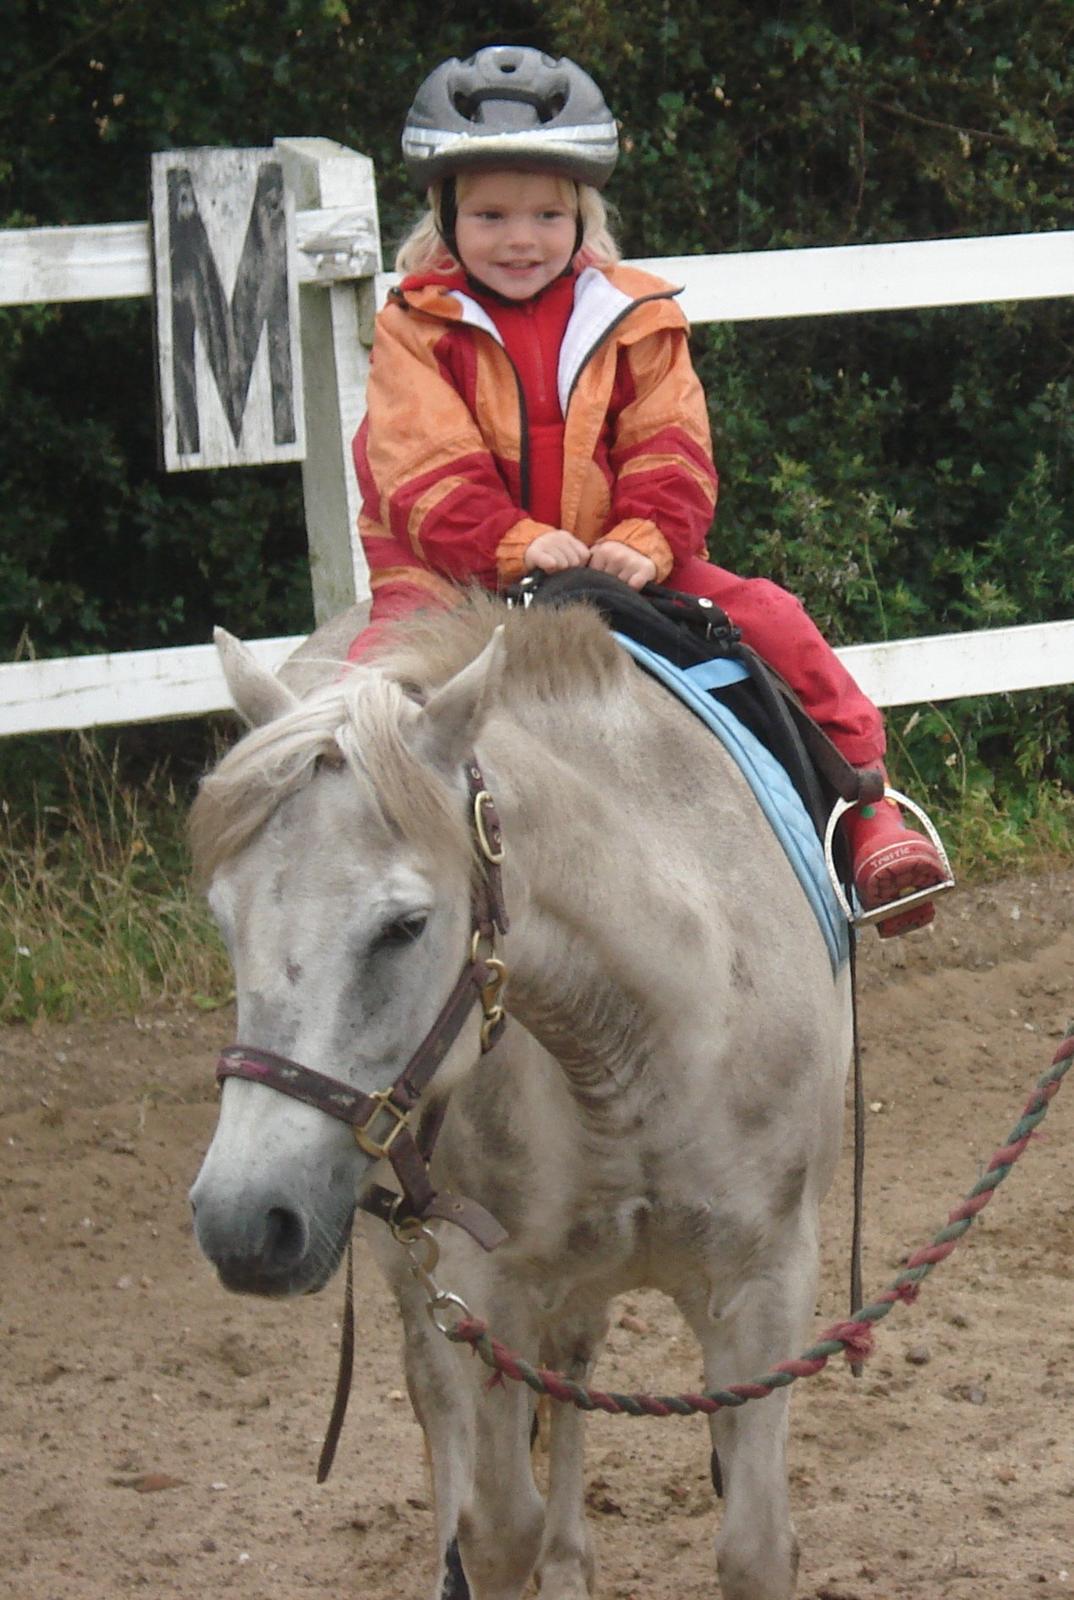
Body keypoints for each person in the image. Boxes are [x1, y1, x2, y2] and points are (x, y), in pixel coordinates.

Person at [347, 44, 950, 938]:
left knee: (774, 620)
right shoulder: (413, 328)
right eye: (491, 214)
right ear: (446, 215)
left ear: (584, 217)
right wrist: (512, 542)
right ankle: (355, 875)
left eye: (548, 214)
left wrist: (647, 534)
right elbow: (418, 467)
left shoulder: (636, 316)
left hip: (616, 560)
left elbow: (672, 444)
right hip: (453, 573)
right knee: (370, 689)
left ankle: (864, 812)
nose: (522, 238)